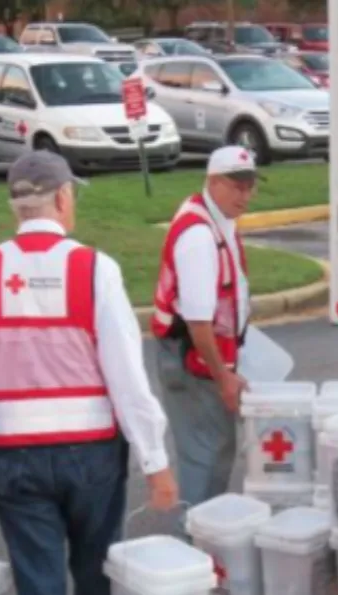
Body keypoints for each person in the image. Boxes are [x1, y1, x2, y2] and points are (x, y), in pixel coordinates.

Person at [0, 151, 179, 595]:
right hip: (91, 455)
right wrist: (156, 461)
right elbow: (126, 375)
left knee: (39, 586)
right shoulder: (96, 269)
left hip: (15, 457)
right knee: (96, 578)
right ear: (64, 199)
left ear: (16, 207)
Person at [151, 145, 254, 509]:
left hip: (201, 358)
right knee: (205, 460)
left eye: (250, 185)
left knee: (214, 452)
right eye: (236, 185)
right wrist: (223, 377)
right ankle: (193, 546)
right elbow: (198, 324)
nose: (245, 194)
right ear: (212, 182)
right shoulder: (198, 237)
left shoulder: (216, 219)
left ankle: (203, 545)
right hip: (194, 361)